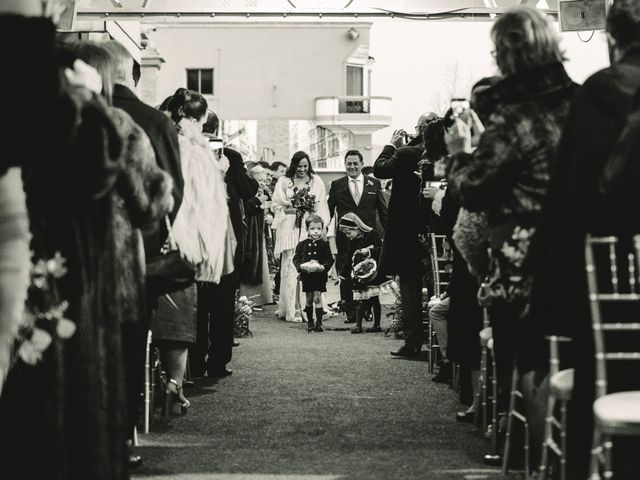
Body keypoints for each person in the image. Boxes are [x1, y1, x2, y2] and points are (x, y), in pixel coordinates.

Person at [445, 5, 576, 467]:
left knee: (531, 363)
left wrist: (459, 153)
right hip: (582, 255)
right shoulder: (580, 100)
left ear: (504, 52)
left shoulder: (514, 115)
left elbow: (474, 192)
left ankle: (540, 461)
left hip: (528, 260)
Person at [524, 1, 640, 476]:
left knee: (595, 377)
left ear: (611, 39)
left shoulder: (601, 92)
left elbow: (567, 196)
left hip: (609, 283)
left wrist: (546, 292)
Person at [103, 39, 184, 460]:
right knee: (129, 342)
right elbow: (171, 193)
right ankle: (121, 435)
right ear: (131, 73)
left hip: (69, 256)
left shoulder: (48, 116)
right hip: (133, 255)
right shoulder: (151, 122)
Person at [154, 88, 233, 410]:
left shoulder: (156, 139)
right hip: (183, 245)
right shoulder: (199, 154)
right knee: (179, 315)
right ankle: (174, 382)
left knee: (152, 316)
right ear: (199, 119)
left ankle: (155, 381)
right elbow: (209, 211)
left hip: (152, 238)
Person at [191, 110, 258, 378]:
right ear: (217, 130)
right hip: (224, 241)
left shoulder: (191, 151)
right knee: (221, 306)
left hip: (198, 239)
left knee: (199, 304)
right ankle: (217, 363)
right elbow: (249, 189)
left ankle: (195, 363)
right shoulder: (229, 155)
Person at [374, 112, 438, 358]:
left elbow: (380, 170)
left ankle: (412, 342)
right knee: (436, 285)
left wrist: (391, 145)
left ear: (421, 128)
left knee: (410, 284)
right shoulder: (437, 153)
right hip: (433, 225)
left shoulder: (408, 153)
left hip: (406, 229)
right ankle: (439, 344)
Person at [328, 149, 387, 324]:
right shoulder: (337, 185)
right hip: (345, 238)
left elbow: (383, 211)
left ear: (361, 164)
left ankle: (367, 308)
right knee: (346, 273)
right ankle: (350, 311)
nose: (352, 166)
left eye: (355, 163)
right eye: (349, 164)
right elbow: (329, 211)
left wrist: (387, 233)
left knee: (368, 271)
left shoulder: (374, 183)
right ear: (344, 165)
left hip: (368, 238)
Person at [272, 151, 330, 323]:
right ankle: (292, 307)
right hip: (289, 227)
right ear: (293, 165)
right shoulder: (284, 181)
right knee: (291, 265)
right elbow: (276, 204)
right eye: (299, 166)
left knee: (309, 263)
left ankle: (309, 307)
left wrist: (317, 225)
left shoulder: (316, 181)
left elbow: (321, 205)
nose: (302, 169)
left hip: (308, 226)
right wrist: (290, 208)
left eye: (305, 166)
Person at [338, 213, 384, 334]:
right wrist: (343, 275)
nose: (348, 236)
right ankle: (359, 325)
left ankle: (376, 324)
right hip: (360, 275)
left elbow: (381, 249)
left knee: (374, 299)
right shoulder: (354, 240)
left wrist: (369, 251)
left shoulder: (372, 234)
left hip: (372, 274)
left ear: (356, 227)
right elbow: (349, 258)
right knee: (361, 300)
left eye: (349, 233)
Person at [292, 214, 334, 332]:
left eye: (319, 229)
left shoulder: (324, 245)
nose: (316, 231)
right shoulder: (302, 244)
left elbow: (329, 259)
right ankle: (310, 322)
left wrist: (324, 267)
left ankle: (319, 323)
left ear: (322, 229)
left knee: (317, 298)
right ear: (307, 230)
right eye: (312, 229)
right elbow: (296, 258)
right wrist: (300, 266)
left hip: (319, 276)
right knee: (309, 298)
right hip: (307, 275)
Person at [240, 164, 274, 306]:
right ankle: (248, 299)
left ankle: (263, 297)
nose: (262, 183)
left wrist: (270, 215)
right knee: (251, 262)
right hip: (251, 233)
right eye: (258, 180)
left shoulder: (265, 190)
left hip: (263, 232)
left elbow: (272, 207)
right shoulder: (248, 192)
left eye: (264, 180)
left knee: (263, 263)